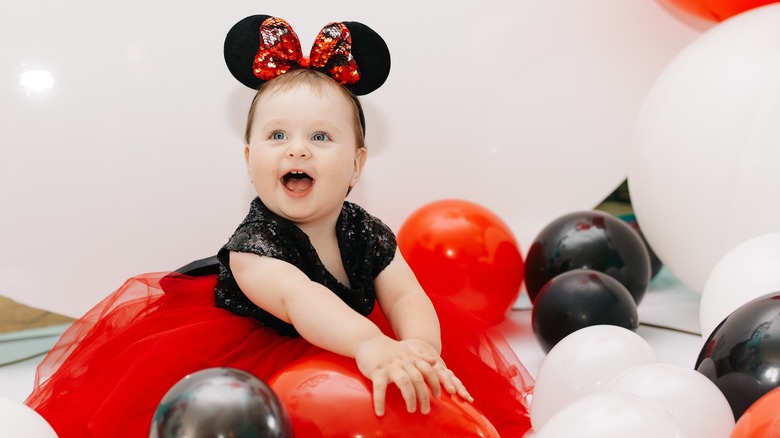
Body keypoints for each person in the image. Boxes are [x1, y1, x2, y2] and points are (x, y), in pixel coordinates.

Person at [25, 15, 533, 437]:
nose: (297, 149)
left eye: (320, 135)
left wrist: (417, 347)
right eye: (277, 135)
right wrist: (372, 345)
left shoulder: (368, 233)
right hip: (255, 350)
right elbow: (302, 301)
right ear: (250, 159)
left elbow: (405, 296)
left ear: (357, 165)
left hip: (351, 338)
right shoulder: (254, 247)